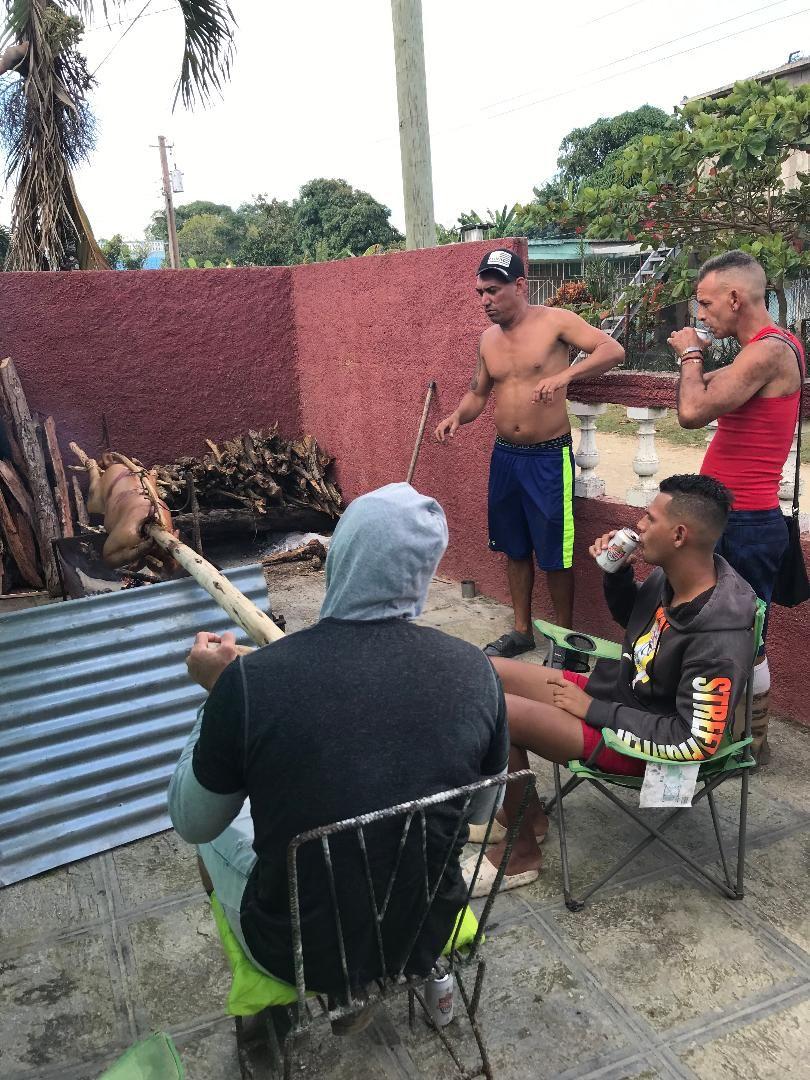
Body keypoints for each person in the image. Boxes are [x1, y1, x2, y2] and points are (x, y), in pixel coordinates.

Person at [168, 483, 508, 1004]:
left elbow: (193, 821)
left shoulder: (250, 684)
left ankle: (272, 1012)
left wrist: (215, 698)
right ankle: (392, 983)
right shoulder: (476, 671)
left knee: (212, 831)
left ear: (337, 557)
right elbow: (485, 809)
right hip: (424, 928)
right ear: (423, 575)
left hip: (298, 951)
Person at [465, 475, 756, 895]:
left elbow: (696, 742)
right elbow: (637, 625)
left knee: (500, 714)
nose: (638, 525)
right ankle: (527, 817)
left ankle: (521, 851)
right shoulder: (673, 577)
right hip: (618, 698)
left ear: (679, 534)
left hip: (640, 742)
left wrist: (593, 711)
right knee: (487, 674)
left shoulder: (719, 636)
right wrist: (617, 575)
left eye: (649, 518)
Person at [434, 248, 624, 663]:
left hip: (548, 459)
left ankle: (566, 643)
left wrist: (564, 376)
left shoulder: (554, 322)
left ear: (520, 285)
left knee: (555, 553)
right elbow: (478, 393)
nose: (485, 300)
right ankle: (522, 631)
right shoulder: (488, 340)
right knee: (513, 548)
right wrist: (456, 417)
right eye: (480, 292)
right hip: (506, 458)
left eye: (494, 290)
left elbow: (612, 350)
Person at [668, 250, 806, 764]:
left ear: (735, 298)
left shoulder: (769, 351)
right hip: (732, 517)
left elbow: (692, 410)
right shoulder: (768, 347)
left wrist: (689, 354)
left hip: (745, 521)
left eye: (705, 304)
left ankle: (754, 744)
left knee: (746, 637)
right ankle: (731, 736)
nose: (700, 316)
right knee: (721, 630)